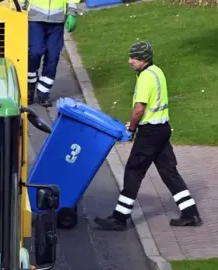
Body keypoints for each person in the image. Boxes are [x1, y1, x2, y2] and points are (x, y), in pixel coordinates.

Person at [94, 41, 203, 231]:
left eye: (133, 58)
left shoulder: (144, 78)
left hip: (150, 132)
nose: (129, 61)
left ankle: (119, 218)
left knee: (133, 171)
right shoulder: (157, 72)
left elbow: (139, 108)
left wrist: (131, 128)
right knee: (169, 171)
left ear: (143, 59)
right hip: (162, 129)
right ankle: (190, 213)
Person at [23, 0, 80, 107]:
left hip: (57, 21)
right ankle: (29, 86)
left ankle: (43, 92)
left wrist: (72, 13)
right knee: (35, 52)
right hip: (35, 18)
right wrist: (20, 10)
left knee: (52, 56)